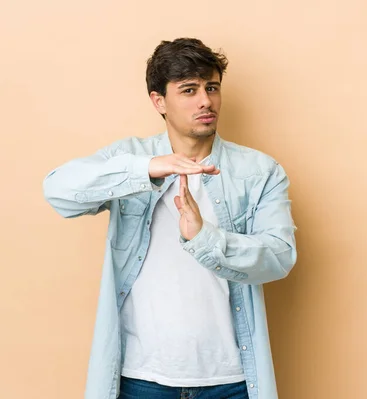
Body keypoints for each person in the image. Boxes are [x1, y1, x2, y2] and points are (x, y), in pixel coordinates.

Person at [43, 37, 297, 399]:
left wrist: (204, 238)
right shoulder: (130, 157)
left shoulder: (259, 171)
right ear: (158, 101)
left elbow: (279, 257)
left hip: (230, 381)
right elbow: (58, 191)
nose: (205, 100)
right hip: (140, 379)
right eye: (189, 90)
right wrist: (146, 169)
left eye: (211, 87)